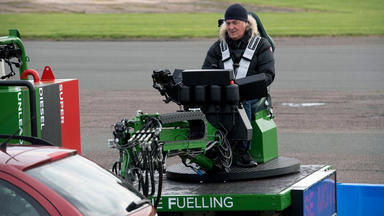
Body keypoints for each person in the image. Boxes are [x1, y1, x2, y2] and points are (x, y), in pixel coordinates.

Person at [202, 3, 275, 168]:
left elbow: (268, 75)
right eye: (228, 23)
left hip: (250, 92)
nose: (231, 27)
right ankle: (212, 146)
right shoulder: (217, 47)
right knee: (204, 100)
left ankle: (241, 151)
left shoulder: (261, 45)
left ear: (246, 24)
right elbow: (205, 72)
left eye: (235, 23)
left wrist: (243, 87)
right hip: (222, 93)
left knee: (240, 102)